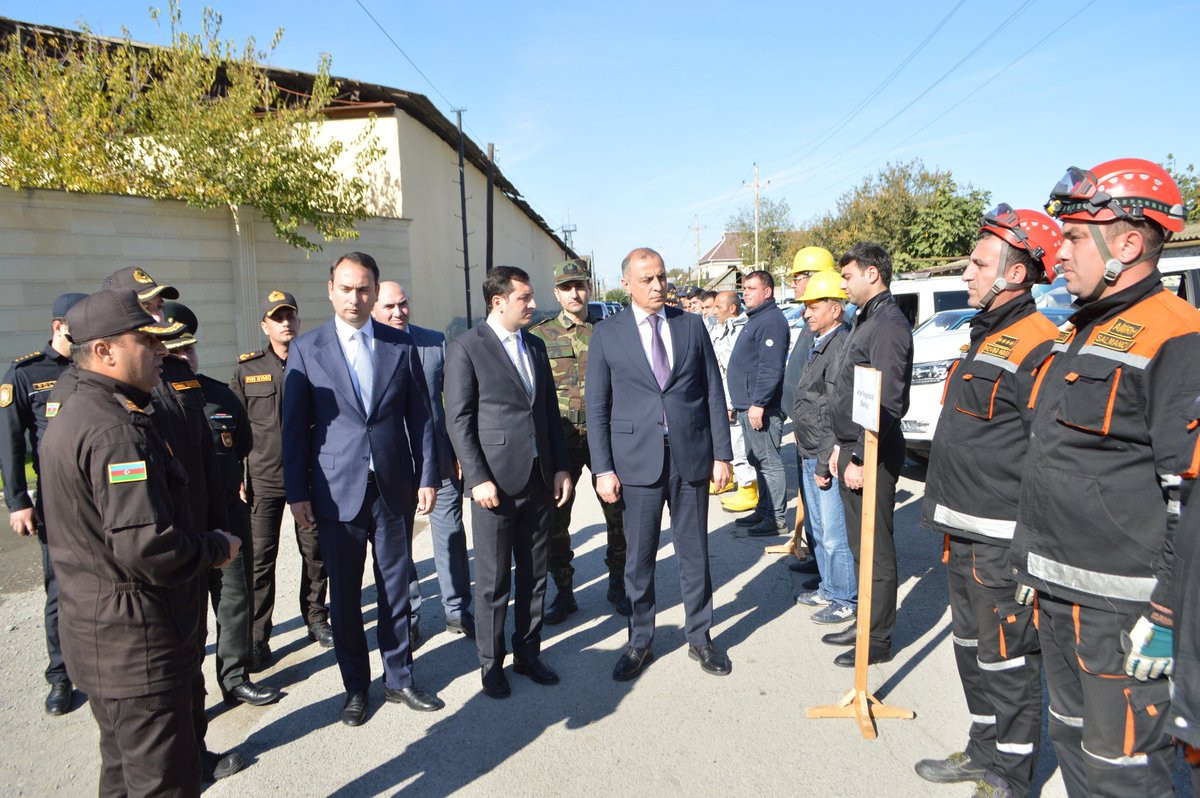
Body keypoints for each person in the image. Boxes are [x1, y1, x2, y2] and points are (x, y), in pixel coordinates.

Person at [1009, 159, 1199, 796]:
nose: (1058, 252)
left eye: (1072, 238)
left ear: (1128, 244)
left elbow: (1188, 496)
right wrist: (1034, 561)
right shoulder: (1082, 329)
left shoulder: (1178, 334)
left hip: (1124, 614)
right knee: (1073, 744)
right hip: (1060, 595)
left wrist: (1168, 613)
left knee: (1123, 774)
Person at [39, 289, 240, 796]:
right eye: (145, 340)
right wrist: (217, 547)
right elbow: (148, 548)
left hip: (105, 639)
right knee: (163, 781)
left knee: (123, 776)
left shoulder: (84, 409)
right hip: (138, 644)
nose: (160, 349)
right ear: (104, 350)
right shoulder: (115, 432)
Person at [914, 207, 1063, 798]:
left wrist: (1032, 552)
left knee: (1008, 661)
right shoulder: (987, 334)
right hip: (964, 534)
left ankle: (1011, 776)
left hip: (1002, 544)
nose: (967, 273)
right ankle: (981, 752)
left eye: (978, 264)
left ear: (1016, 273)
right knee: (972, 651)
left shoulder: (1040, 345)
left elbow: (1048, 459)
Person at [282, 251, 443, 727]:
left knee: (396, 588)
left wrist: (427, 475)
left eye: (363, 289)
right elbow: (294, 429)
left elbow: (421, 418)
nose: (354, 298)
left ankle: (399, 678)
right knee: (347, 596)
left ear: (375, 293)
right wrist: (297, 493)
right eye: (346, 288)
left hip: (393, 486)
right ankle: (356, 686)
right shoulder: (307, 349)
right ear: (331, 290)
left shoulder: (399, 344)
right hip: (336, 491)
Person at [586, 247, 734, 682]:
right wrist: (603, 468)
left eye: (662, 277)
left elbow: (712, 390)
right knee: (639, 558)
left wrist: (722, 454)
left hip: (691, 456)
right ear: (626, 284)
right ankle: (640, 640)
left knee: (695, 553)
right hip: (636, 462)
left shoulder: (690, 326)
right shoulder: (608, 333)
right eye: (647, 279)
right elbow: (597, 406)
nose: (657, 286)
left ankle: (701, 636)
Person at [444, 265, 572, 699]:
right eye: (524, 298)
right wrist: (477, 478)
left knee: (534, 575)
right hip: (494, 485)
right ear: (498, 302)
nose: (533, 304)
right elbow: (458, 420)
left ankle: (528, 652)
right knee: (494, 581)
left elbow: (548, 412)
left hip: (538, 478)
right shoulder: (467, 347)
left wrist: (560, 467)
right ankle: (491, 663)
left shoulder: (534, 345)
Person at [163, 301, 280, 709]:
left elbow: (242, 444)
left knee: (234, 600)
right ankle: (188, 692)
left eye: (188, 348)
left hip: (227, 515)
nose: (184, 358)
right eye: (174, 351)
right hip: (182, 523)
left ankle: (234, 677)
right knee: (187, 612)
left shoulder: (219, 396)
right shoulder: (152, 402)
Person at [823, 242, 913, 668]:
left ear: (872, 274)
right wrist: (840, 446)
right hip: (854, 447)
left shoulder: (888, 325)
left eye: (848, 276)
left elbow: (888, 402)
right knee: (860, 546)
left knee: (875, 549)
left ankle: (876, 639)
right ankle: (864, 621)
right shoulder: (866, 318)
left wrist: (860, 456)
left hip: (873, 451)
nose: (843, 284)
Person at [232, 290, 332, 669]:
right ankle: (258, 636)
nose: (286, 322)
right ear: (265, 325)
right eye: (277, 317)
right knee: (260, 560)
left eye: (290, 315)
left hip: (309, 476)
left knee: (315, 552)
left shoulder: (315, 364)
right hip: (264, 478)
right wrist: (238, 474)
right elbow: (234, 430)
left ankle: (316, 617)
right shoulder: (247, 370)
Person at [372, 280, 475, 640]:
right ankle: (409, 615)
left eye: (403, 304)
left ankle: (457, 610)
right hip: (393, 464)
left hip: (439, 458)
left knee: (451, 534)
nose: (398, 312)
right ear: (374, 308)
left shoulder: (434, 342)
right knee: (397, 543)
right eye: (389, 306)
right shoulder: (368, 347)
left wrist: (460, 452)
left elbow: (456, 403)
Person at [529, 259, 630, 624]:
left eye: (580, 285)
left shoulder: (609, 332)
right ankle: (563, 591)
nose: (574, 293)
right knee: (556, 520)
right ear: (556, 293)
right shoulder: (539, 336)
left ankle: (619, 583)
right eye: (566, 287)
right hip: (562, 441)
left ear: (589, 288)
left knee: (619, 516)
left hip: (606, 439)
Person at [0, 292, 86, 715]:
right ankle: (60, 675)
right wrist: (18, 500)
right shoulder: (25, 373)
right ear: (58, 326)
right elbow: (9, 442)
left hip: (99, 497)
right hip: (56, 500)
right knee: (61, 589)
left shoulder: (92, 365)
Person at [790, 271, 855, 626]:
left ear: (835, 308)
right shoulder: (822, 341)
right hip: (810, 447)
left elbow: (834, 408)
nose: (806, 313)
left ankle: (844, 598)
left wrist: (822, 461)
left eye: (814, 307)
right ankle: (829, 588)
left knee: (833, 533)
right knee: (818, 527)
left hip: (822, 453)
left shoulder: (840, 345)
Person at [780, 247, 837, 571]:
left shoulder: (835, 322)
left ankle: (830, 576)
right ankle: (820, 564)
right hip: (805, 429)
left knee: (828, 518)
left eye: (799, 276)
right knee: (814, 511)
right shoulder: (809, 318)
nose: (795, 283)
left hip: (819, 434)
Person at [726, 270, 791, 536]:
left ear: (768, 292)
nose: (746, 293)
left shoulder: (771, 320)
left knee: (768, 461)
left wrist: (759, 403)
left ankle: (776, 518)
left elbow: (770, 367)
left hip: (761, 407)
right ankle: (764, 509)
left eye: (752, 288)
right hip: (748, 404)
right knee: (757, 459)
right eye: (745, 288)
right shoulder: (757, 318)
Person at [710, 290, 756, 505]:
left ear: (732, 308)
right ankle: (731, 480)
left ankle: (749, 490)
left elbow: (731, 372)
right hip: (723, 395)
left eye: (718, 307)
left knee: (739, 446)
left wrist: (729, 404)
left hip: (733, 398)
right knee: (729, 442)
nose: (714, 311)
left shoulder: (740, 330)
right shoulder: (723, 327)